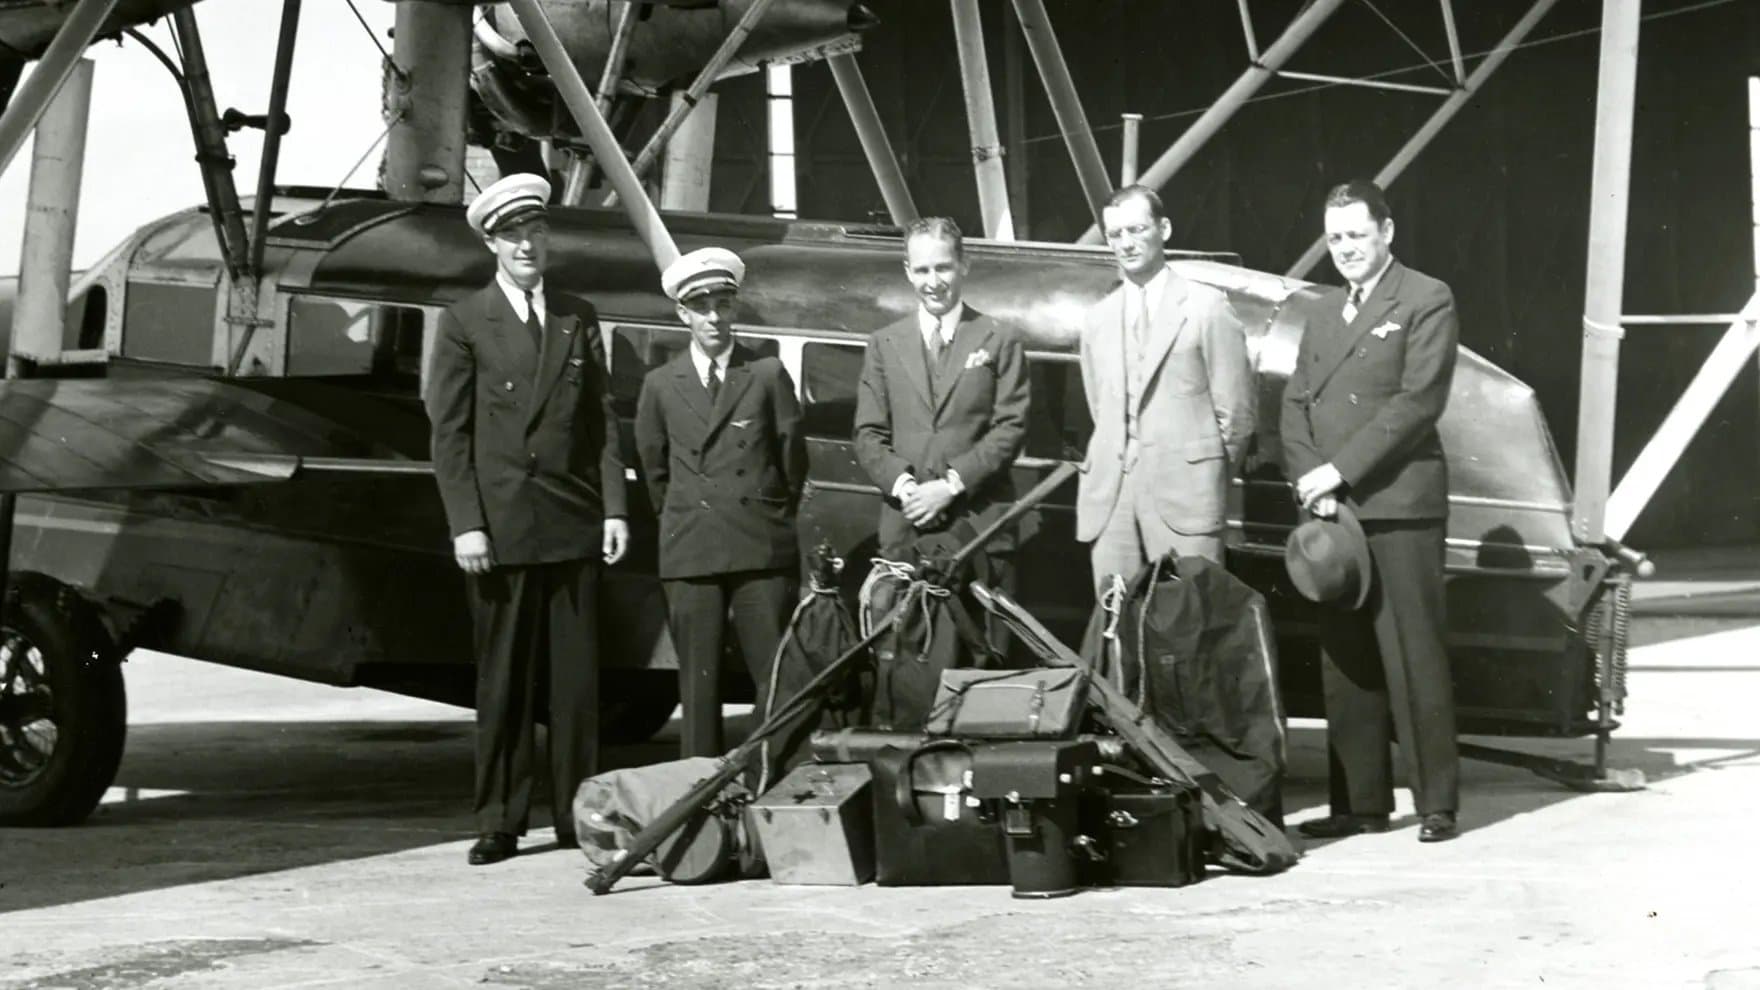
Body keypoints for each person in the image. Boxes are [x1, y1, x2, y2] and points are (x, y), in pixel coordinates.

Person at [426, 172, 629, 866]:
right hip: (502, 529)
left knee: (576, 685)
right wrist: (466, 524)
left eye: (535, 231)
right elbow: (448, 435)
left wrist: (613, 509)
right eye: (512, 234)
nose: (526, 244)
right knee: (504, 680)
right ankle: (501, 819)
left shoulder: (578, 315)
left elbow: (601, 421)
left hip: (571, 521)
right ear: (491, 242)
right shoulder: (463, 322)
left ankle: (580, 816)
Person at [1280, 178, 1461, 843]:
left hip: (1398, 506)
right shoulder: (1323, 311)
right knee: (1345, 661)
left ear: (1387, 232)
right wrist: (1309, 479)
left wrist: (1339, 470)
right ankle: (1361, 803)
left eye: (1357, 234)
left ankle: (1436, 801)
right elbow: (1294, 402)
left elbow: (1417, 402)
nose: (1346, 249)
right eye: (1335, 238)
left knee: (1414, 656)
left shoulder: (1425, 297)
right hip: (1333, 511)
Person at [635, 247, 807, 758]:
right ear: (682, 313)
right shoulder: (661, 386)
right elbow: (655, 470)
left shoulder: (767, 374)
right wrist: (691, 512)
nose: (713, 317)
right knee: (698, 686)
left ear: (734, 308)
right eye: (701, 306)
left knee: (774, 681)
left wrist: (764, 511)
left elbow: (791, 460)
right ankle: (700, 792)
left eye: (723, 304)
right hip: (692, 547)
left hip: (759, 543)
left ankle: (773, 783)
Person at [852, 216, 1029, 649]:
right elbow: (868, 433)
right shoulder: (884, 344)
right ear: (908, 271)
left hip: (979, 530)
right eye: (923, 270)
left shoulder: (999, 339)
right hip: (906, 530)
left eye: (943, 267)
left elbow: (1011, 427)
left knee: (983, 664)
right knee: (909, 661)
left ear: (964, 265)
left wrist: (950, 485)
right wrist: (908, 487)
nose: (934, 281)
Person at [1077, 185, 1255, 591]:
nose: (1126, 242)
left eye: (1137, 229)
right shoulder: (1098, 319)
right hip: (1111, 502)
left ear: (1165, 229)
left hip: (1187, 502)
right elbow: (1100, 407)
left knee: (1190, 623)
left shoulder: (1206, 307)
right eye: (1116, 234)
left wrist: (1203, 478)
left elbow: (1237, 413)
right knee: (1115, 627)